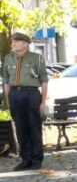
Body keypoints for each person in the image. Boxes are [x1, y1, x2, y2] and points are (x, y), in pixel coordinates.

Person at [2, 32, 48, 170]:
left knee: (34, 127)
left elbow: (44, 81)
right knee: (20, 127)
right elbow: (6, 81)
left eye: (16, 41)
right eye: (13, 41)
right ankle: (25, 159)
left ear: (25, 44)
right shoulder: (8, 58)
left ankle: (36, 159)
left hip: (31, 93)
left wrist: (42, 102)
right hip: (15, 94)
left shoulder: (36, 58)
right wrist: (9, 99)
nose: (13, 44)